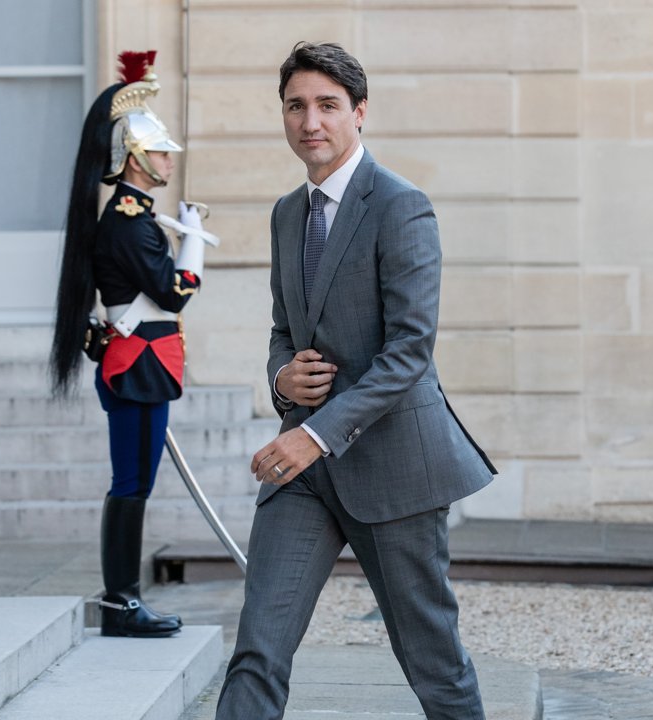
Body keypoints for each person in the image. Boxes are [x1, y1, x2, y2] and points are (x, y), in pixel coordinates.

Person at [216, 42, 496, 719]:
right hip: (305, 478)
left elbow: (409, 354)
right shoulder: (288, 214)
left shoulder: (401, 206)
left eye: (327, 106)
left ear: (359, 113)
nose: (310, 121)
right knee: (258, 649)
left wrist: (312, 434)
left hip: (395, 467)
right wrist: (284, 380)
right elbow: (286, 330)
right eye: (295, 106)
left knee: (434, 662)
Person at [49, 50, 213, 638]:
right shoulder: (130, 221)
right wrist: (193, 244)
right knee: (131, 485)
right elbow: (172, 295)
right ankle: (120, 600)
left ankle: (124, 598)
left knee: (134, 483)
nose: (170, 159)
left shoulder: (131, 217)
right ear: (138, 159)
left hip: (140, 361)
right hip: (138, 362)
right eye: (162, 151)